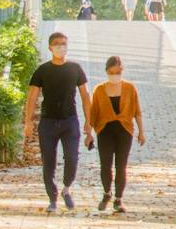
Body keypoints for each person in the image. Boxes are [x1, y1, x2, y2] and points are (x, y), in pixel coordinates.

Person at [23, 32, 93, 213]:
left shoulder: (75, 69)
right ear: (50, 47)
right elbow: (32, 97)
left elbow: (85, 96)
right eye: (57, 44)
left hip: (70, 121)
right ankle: (52, 198)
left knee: (72, 157)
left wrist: (89, 122)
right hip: (48, 122)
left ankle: (66, 188)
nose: (60, 47)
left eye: (63, 44)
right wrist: (28, 122)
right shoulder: (42, 70)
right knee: (49, 161)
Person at [89, 55, 145, 213]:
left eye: (118, 71)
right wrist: (88, 133)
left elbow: (137, 112)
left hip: (124, 131)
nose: (116, 75)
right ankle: (107, 193)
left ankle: (118, 199)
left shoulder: (129, 88)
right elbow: (93, 114)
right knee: (105, 165)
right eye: (112, 72)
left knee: (121, 166)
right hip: (105, 131)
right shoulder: (99, 90)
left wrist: (141, 132)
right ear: (107, 71)